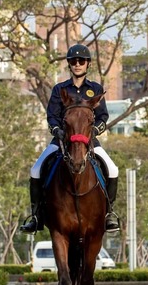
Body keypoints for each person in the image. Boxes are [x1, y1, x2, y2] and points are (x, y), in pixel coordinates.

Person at [19, 44, 121, 234]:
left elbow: (103, 117)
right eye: (73, 61)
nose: (77, 64)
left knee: (113, 169)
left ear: (87, 64)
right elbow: (52, 116)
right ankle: (36, 215)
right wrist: (57, 130)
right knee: (35, 171)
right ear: (69, 65)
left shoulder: (95, 89)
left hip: (88, 142)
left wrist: (96, 130)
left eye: (81, 61)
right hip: (61, 142)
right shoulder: (60, 89)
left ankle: (109, 214)